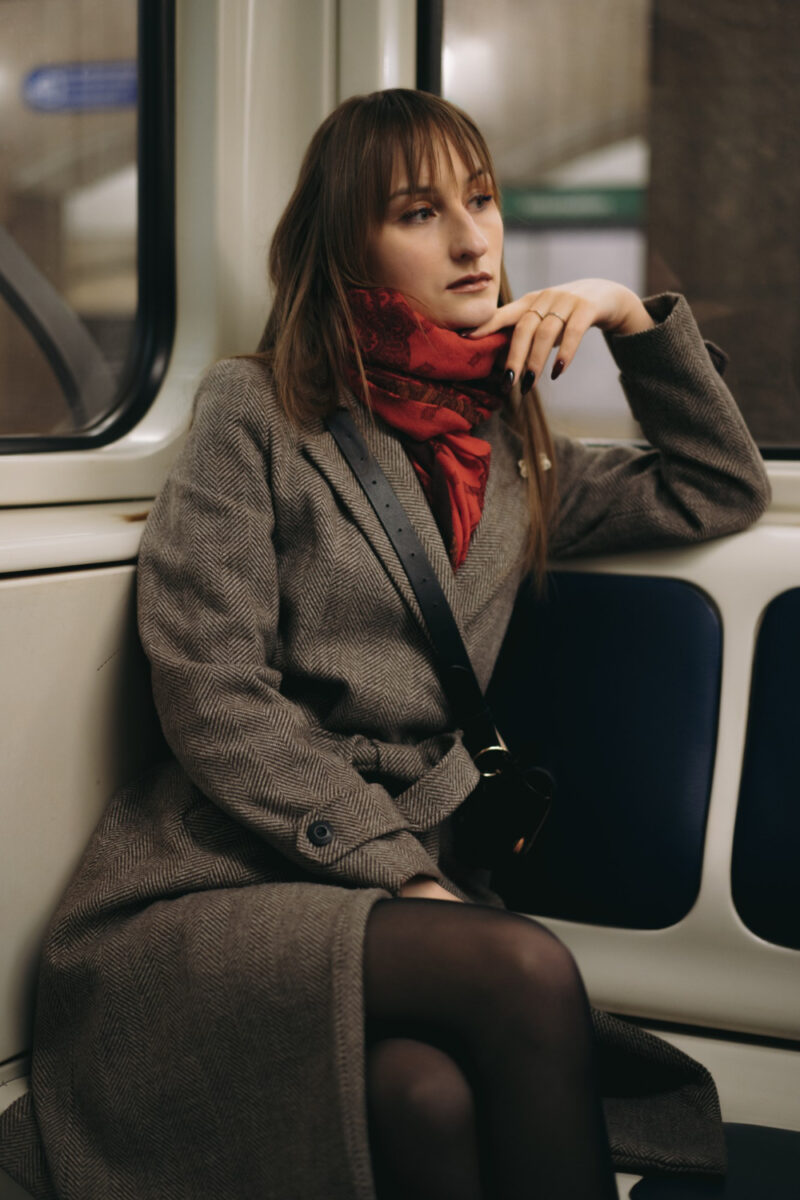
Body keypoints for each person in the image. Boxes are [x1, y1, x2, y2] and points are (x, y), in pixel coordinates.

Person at [0, 89, 770, 1200]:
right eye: (418, 212)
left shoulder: (514, 447)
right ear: (346, 244)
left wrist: (625, 316)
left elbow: (717, 485)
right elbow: (210, 687)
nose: (470, 239)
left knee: (427, 1101)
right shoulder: (253, 411)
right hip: (214, 891)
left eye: (483, 200)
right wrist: (401, 874)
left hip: (377, 901)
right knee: (521, 967)